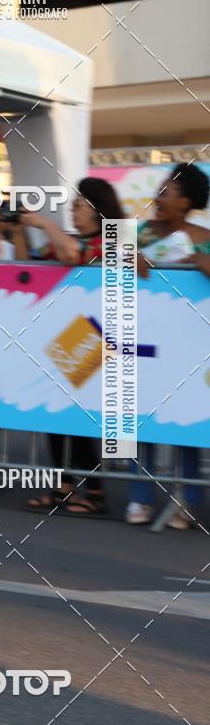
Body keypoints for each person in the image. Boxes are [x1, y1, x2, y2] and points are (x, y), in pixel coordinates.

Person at [19, 178, 126, 515]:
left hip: (104, 336)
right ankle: (65, 486)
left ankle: (94, 491)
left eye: (78, 206)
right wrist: (18, 230)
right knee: (56, 413)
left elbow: (73, 255)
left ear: (98, 209)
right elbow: (29, 263)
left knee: (78, 417)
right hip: (69, 337)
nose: (73, 212)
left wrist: (44, 223)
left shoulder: (116, 239)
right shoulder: (74, 238)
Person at [128, 163, 210, 528]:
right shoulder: (142, 233)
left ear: (186, 202)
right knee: (139, 418)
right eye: (158, 190)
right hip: (144, 341)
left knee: (183, 423)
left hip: (188, 345)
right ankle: (139, 497)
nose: (157, 198)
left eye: (166, 192)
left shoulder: (201, 237)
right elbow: (106, 268)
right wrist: (129, 259)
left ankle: (188, 503)